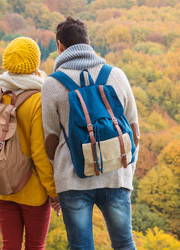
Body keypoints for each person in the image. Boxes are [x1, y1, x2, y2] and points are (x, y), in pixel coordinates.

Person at [41, 17, 140, 250]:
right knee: (125, 243)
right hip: (116, 174)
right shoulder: (116, 75)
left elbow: (50, 140)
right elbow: (134, 129)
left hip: (73, 178)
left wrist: (59, 179)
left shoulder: (52, 84)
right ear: (87, 42)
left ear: (60, 45)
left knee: (80, 246)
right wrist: (127, 172)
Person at [0, 37, 58, 250]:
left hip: (1, 184)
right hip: (33, 189)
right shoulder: (38, 99)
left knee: (10, 245)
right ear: (35, 63)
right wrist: (53, 191)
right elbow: (40, 153)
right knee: (35, 245)